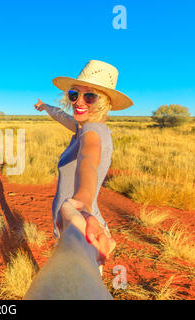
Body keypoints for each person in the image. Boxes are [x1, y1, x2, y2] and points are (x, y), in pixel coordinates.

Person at [34, 60, 134, 272]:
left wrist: (82, 202)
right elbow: (64, 117)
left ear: (105, 102)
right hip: (77, 225)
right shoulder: (85, 127)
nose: (79, 101)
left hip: (82, 228)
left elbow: (88, 159)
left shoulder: (92, 133)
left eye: (89, 96)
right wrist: (45, 107)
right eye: (74, 94)